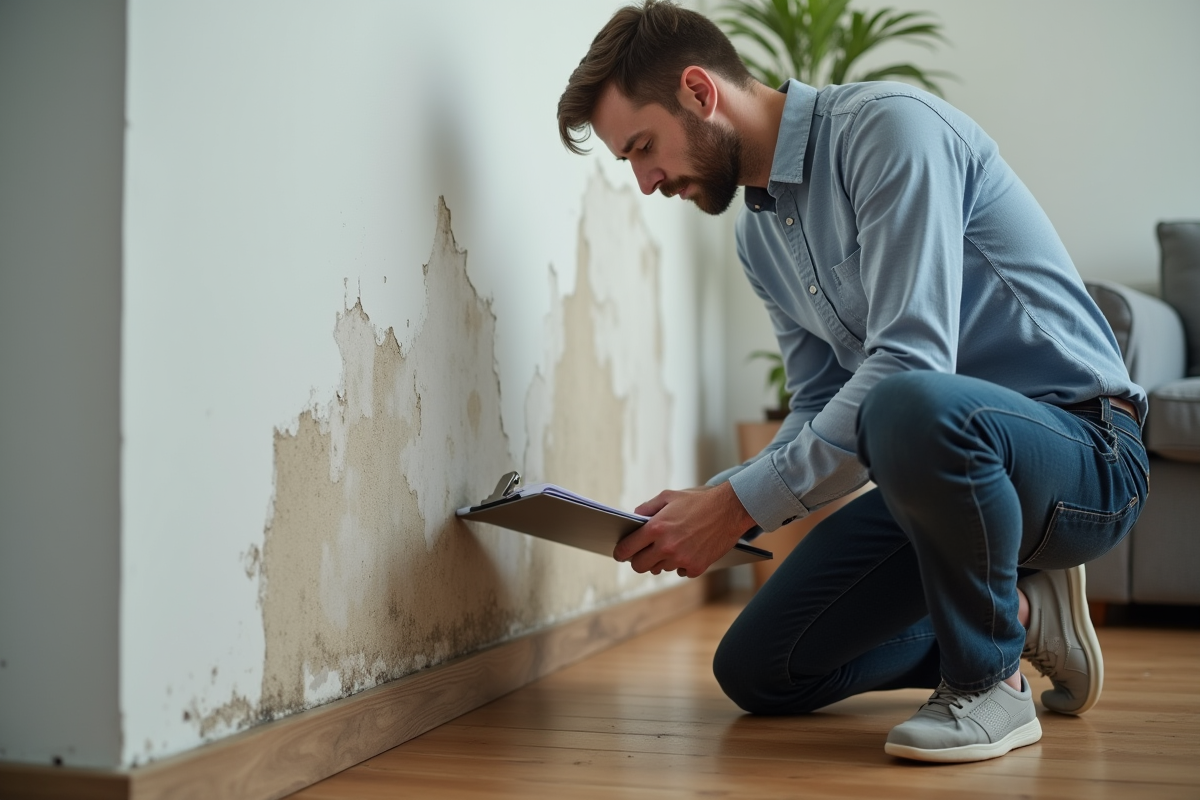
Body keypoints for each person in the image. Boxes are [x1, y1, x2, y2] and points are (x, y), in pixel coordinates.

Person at [556, 0, 1149, 764]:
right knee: (760, 668)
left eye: (642, 147)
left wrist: (736, 505)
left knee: (907, 399)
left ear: (700, 92)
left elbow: (912, 363)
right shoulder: (760, 234)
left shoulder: (888, 130)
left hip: (1087, 457)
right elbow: (817, 402)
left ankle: (989, 684)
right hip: (947, 480)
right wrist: (718, 501)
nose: (644, 181)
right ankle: (1021, 615)